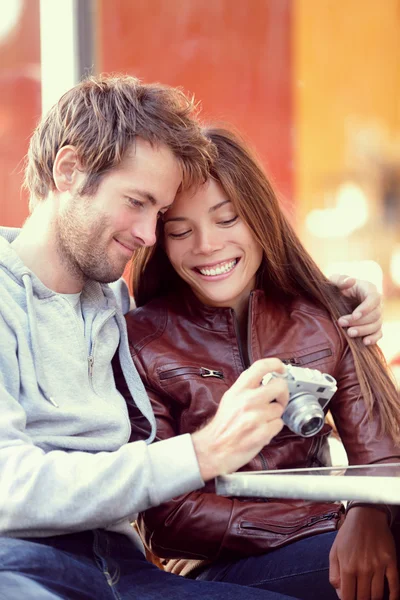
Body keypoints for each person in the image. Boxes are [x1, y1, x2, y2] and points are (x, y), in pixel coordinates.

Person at [0, 74, 383, 600]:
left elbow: (233, 301)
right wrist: (202, 453)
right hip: (28, 563)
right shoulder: (30, 300)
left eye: (159, 215)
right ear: (68, 170)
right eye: (138, 202)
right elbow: (7, 488)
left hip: (125, 571)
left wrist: (343, 293)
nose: (149, 237)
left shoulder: (111, 303)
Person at [122, 127, 400, 600]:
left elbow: (385, 456)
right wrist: (333, 518)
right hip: (219, 569)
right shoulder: (141, 341)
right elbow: (166, 515)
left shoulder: (325, 314)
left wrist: (367, 514)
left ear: (260, 218)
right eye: (180, 231)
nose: (206, 244)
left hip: (333, 540)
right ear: (160, 242)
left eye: (228, 219)